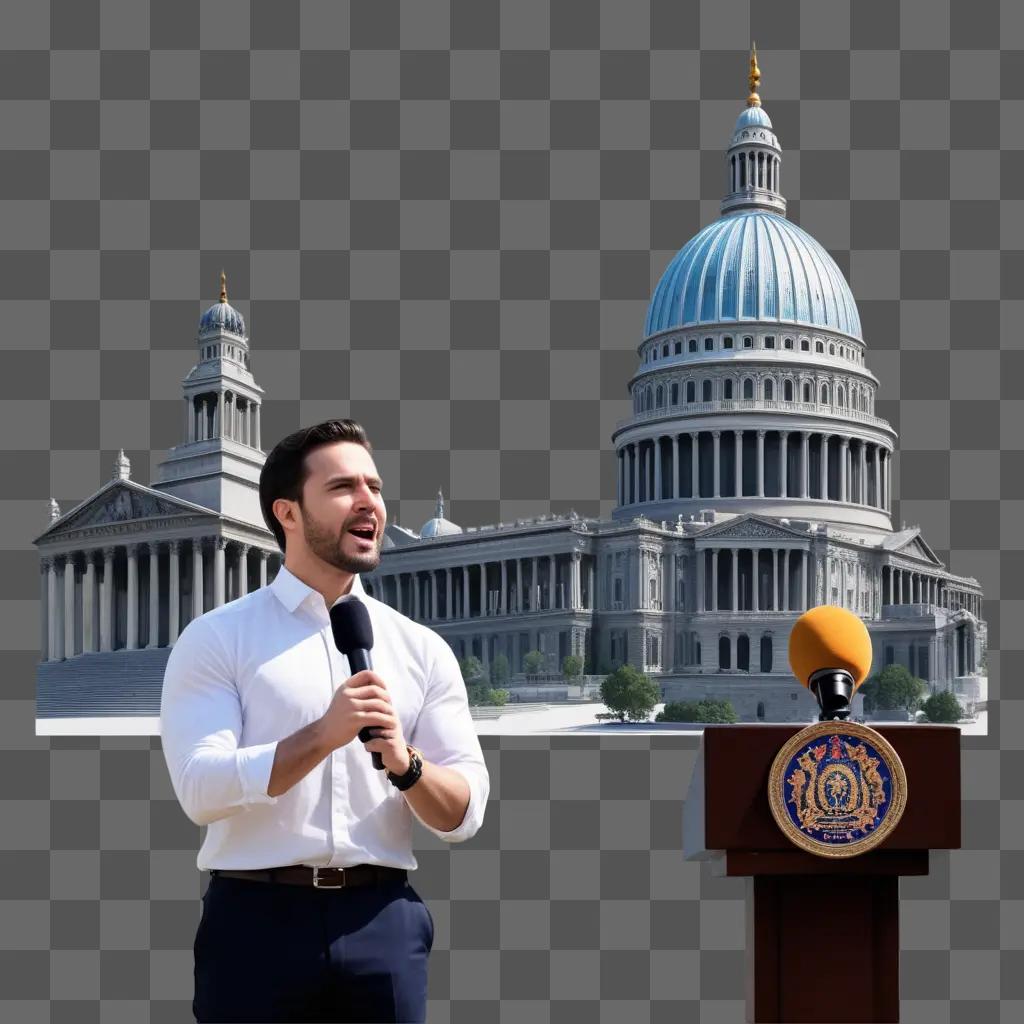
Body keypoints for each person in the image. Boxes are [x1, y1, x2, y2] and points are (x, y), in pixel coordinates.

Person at [160, 419, 490, 1023]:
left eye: (375, 486)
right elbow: (199, 790)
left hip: (383, 921)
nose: (369, 502)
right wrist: (322, 734)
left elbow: (465, 815)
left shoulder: (421, 649)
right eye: (343, 487)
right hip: (256, 922)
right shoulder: (216, 639)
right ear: (288, 512)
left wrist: (405, 765)